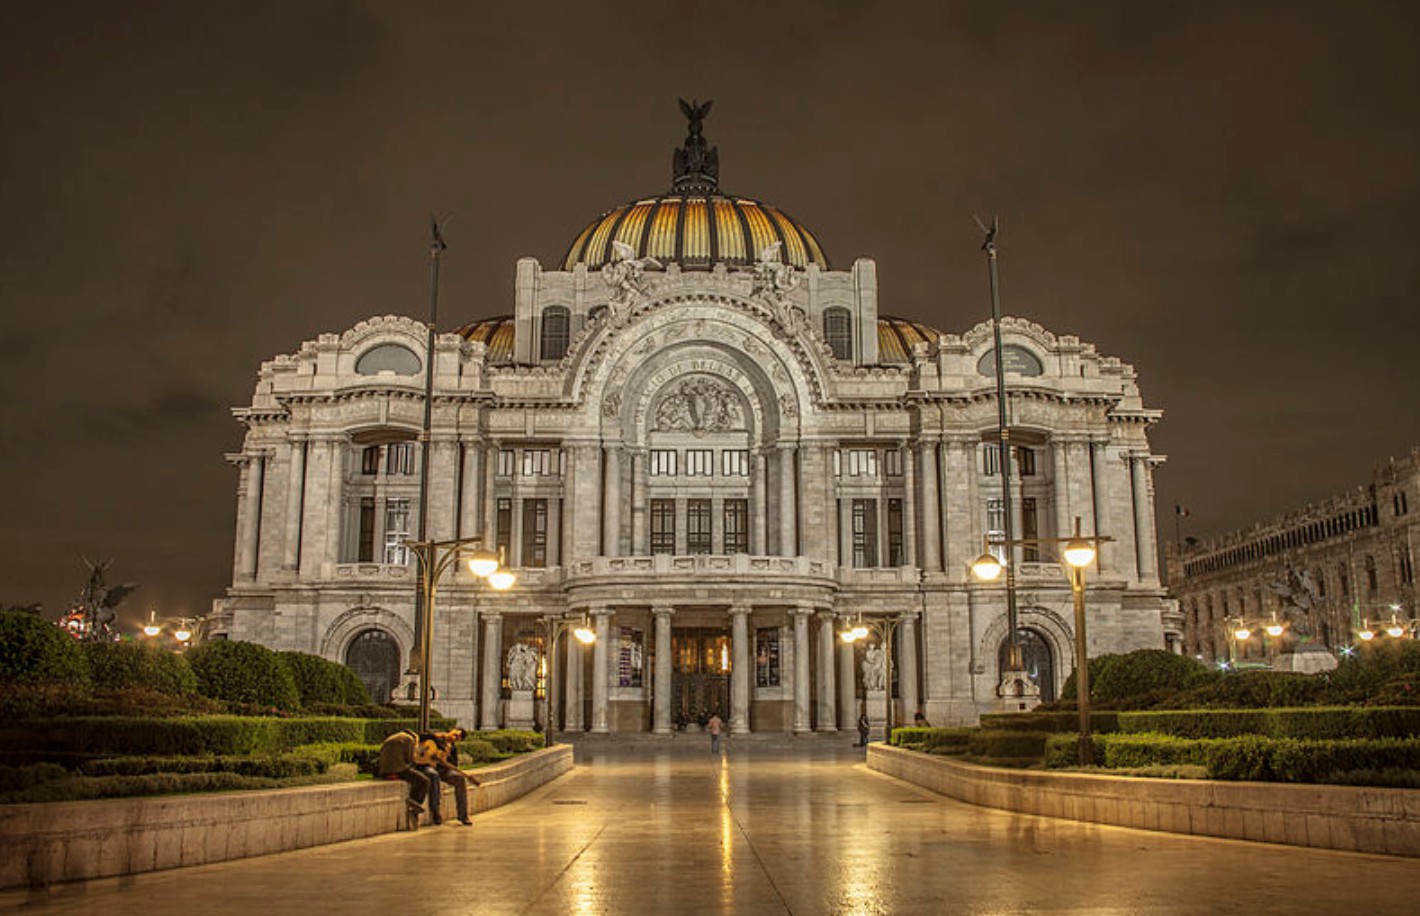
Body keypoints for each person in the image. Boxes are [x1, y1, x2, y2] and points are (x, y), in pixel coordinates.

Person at [418, 728, 476, 826]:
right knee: (434, 775)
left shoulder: (452, 749)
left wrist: (445, 760)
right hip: (426, 766)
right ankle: (435, 811)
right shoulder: (435, 735)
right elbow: (420, 736)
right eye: (455, 735)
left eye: (457, 738)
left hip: (443, 771)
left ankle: (463, 816)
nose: (454, 738)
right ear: (452, 730)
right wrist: (435, 736)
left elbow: (454, 765)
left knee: (460, 779)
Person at [377, 728, 434, 828]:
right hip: (398, 768)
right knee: (424, 781)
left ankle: (414, 804)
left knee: (415, 778)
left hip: (384, 769)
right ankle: (415, 803)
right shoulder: (409, 739)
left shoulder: (394, 737)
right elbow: (410, 759)